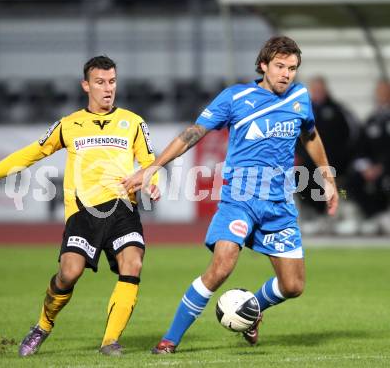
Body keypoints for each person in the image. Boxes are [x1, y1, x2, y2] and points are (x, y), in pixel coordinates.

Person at [122, 36, 339, 354]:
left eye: (292, 68)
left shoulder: (300, 97)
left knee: (293, 286)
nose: (286, 74)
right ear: (263, 65)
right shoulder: (236, 97)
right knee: (222, 265)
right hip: (240, 199)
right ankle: (170, 340)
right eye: (280, 66)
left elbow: (310, 134)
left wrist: (326, 173)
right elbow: (193, 133)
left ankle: (253, 308)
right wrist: (154, 166)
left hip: (278, 205)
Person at [0, 55, 160, 357]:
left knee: (133, 263)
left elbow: (149, 162)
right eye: (100, 82)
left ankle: (110, 342)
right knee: (69, 273)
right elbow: (30, 154)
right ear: (86, 85)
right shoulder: (69, 125)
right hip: (83, 212)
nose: (108, 89)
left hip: (122, 210)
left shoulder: (133, 123)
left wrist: (150, 180)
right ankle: (42, 325)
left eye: (112, 82)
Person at [295, 76, 359, 232]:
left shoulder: (338, 111)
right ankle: (315, 215)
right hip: (309, 166)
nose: (317, 93)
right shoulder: (303, 112)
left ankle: (337, 215)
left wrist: (340, 160)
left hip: (334, 164)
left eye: (319, 89)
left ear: (326, 89)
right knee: (301, 181)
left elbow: (351, 137)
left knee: (338, 186)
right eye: (314, 90)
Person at [348, 79, 390, 232]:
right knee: (352, 181)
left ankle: (384, 213)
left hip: (385, 168)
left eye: (385, 91)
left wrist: (382, 166)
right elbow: (361, 148)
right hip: (372, 168)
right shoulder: (372, 119)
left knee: (383, 182)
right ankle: (372, 216)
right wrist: (365, 167)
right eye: (380, 92)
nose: (382, 95)